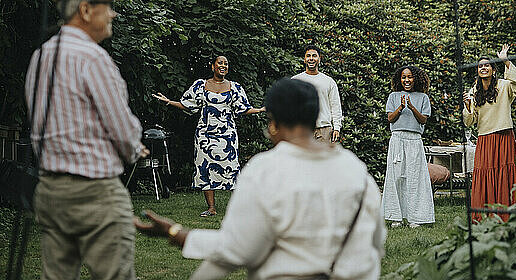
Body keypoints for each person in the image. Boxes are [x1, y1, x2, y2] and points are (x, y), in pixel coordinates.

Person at [136, 78, 386, 279]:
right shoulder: (357, 170)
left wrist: (175, 232)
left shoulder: (266, 169)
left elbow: (236, 249)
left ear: (274, 124)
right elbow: (377, 244)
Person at [25, 0, 149, 280]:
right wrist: (135, 148)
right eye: (108, 7)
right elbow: (122, 128)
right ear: (85, 9)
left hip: (51, 189)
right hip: (94, 192)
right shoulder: (92, 57)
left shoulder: (41, 56)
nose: (113, 15)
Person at [152, 56, 264, 216]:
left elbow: (243, 108)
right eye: (220, 63)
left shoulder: (235, 87)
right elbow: (187, 105)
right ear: (213, 66)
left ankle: (239, 207)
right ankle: (211, 208)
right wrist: (169, 102)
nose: (223, 65)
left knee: (231, 168)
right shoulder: (200, 85)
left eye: (226, 63)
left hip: (227, 135)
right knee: (205, 167)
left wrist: (259, 110)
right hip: (205, 136)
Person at [463, 44, 516, 222]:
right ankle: (485, 214)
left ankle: (506, 212)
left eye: (487, 65)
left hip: (504, 135)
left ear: (493, 69)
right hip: (485, 138)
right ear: (477, 70)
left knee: (504, 174)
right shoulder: (473, 91)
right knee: (485, 174)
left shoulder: (504, 86)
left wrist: (506, 60)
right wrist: (467, 106)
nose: (483, 67)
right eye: (480, 66)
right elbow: (469, 121)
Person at [382, 65, 435, 228]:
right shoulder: (393, 96)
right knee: (396, 176)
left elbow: (423, 120)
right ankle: (396, 217)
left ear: (415, 78)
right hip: (397, 139)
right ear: (400, 79)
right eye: (404, 77)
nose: (407, 80)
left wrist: (411, 107)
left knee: (415, 178)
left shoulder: (423, 97)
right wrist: (401, 107)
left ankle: (415, 217)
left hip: (414, 139)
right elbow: (390, 118)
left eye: (410, 77)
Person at [292, 44, 343, 143]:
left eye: (314, 56)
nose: (311, 58)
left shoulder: (329, 81)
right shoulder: (295, 81)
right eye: (308, 56)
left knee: (324, 158)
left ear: (319, 59)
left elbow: (335, 106)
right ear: (304, 59)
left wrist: (337, 128)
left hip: (324, 130)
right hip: (302, 130)